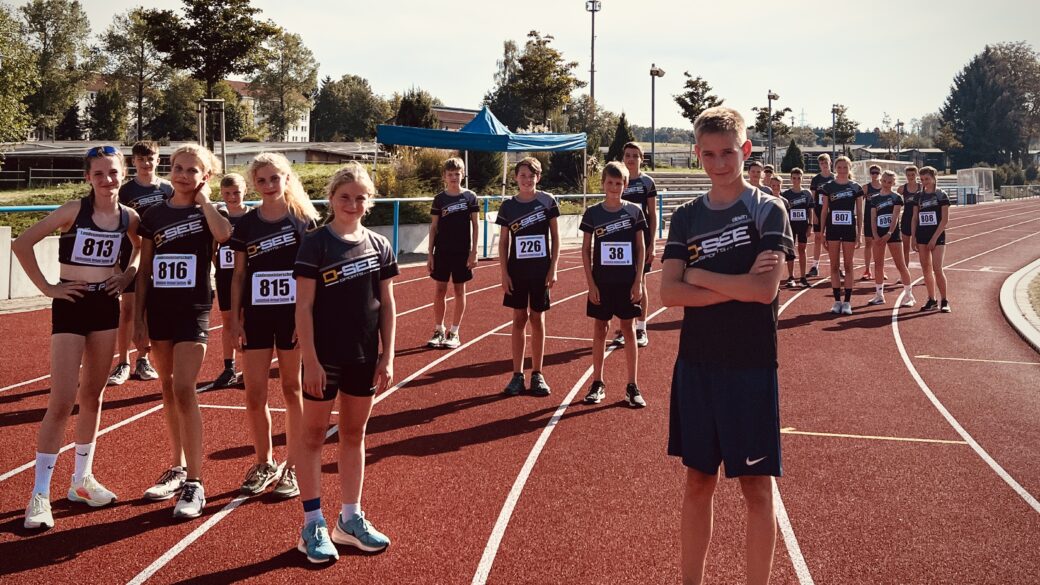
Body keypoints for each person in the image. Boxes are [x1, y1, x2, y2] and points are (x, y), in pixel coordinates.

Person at [660, 107, 793, 585]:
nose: (719, 162)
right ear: (698, 154)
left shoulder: (768, 209)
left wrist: (697, 274)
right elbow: (667, 294)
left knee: (757, 489)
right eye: (710, 153)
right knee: (698, 483)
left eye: (729, 153)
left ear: (747, 150)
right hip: (697, 365)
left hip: (751, 365)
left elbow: (765, 292)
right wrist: (731, 285)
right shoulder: (686, 217)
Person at [16, 145, 140, 530]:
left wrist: (127, 274)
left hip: (105, 305)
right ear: (88, 177)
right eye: (99, 174)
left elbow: (139, 248)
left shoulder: (129, 216)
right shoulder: (74, 210)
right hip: (70, 304)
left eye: (114, 173)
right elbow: (22, 243)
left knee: (94, 395)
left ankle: (81, 481)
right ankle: (39, 493)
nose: (107, 180)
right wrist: (48, 289)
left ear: (123, 175)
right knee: (62, 399)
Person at [293, 163, 397, 563]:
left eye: (360, 198)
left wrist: (386, 357)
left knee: (354, 434)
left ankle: (350, 519)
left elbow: (387, 304)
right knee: (314, 437)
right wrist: (311, 360)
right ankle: (312, 523)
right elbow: (303, 306)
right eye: (344, 196)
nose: (352, 204)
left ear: (368, 202)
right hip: (325, 358)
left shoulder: (378, 244)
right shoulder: (315, 244)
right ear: (331, 198)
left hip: (364, 357)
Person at [135, 144, 232, 519]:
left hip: (193, 310)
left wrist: (206, 201)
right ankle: (176, 468)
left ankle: (196, 481)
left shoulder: (211, 212)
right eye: (177, 168)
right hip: (159, 310)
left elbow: (224, 236)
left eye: (193, 170)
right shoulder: (152, 214)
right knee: (166, 387)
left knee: (183, 388)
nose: (183, 175)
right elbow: (144, 269)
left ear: (204, 177)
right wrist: (139, 320)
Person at [227, 153, 320, 499]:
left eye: (274, 179)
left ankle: (292, 468)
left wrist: (306, 320)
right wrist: (234, 319)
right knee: (254, 394)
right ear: (254, 183)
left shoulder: (303, 220)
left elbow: (311, 276)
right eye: (261, 180)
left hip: (292, 317)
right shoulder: (247, 225)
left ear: (286, 179)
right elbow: (238, 275)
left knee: (292, 390)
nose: (268, 186)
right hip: (257, 316)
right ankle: (264, 461)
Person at [580, 162, 647, 408]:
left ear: (625, 185)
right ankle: (597, 382)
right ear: (603, 183)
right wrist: (591, 284)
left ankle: (632, 385)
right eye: (610, 183)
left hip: (627, 282)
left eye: (619, 183)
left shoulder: (634, 212)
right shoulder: (593, 213)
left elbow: (640, 248)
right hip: (602, 282)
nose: (614, 187)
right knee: (600, 329)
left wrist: (638, 280)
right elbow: (585, 250)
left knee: (628, 330)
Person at [496, 157, 561, 397]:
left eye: (531, 176)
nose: (526, 180)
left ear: (538, 177)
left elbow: (556, 237)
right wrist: (503, 273)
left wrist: (553, 267)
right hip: (517, 271)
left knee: (537, 319)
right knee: (518, 319)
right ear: (515, 178)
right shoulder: (508, 206)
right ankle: (516, 375)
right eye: (522, 175)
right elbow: (504, 242)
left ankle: (538, 374)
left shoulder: (547, 201)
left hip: (540, 271)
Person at [108, 141, 170, 386]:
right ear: (133, 162)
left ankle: (143, 359)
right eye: (141, 159)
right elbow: (113, 225)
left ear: (157, 160)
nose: (146, 163)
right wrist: (114, 263)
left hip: (159, 256)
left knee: (150, 310)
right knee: (127, 309)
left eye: (150, 158)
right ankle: (122, 361)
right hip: (130, 254)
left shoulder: (167, 189)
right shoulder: (125, 191)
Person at [426, 157, 479, 350]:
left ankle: (454, 332)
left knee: (459, 290)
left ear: (463, 174)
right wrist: (430, 254)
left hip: (462, 252)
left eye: (457, 174)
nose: (454, 177)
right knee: (440, 290)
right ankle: (439, 329)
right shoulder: (439, 199)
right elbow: (433, 227)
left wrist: (474, 251)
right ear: (444, 177)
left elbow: (476, 225)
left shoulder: (470, 197)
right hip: (442, 252)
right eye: (450, 174)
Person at [212, 174, 249, 388]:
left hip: (245, 276)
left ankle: (248, 367)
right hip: (225, 276)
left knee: (245, 321)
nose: (232, 197)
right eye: (227, 193)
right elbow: (212, 249)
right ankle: (229, 368)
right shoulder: (219, 216)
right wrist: (220, 266)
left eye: (236, 192)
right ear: (222, 194)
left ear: (245, 190)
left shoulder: (252, 216)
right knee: (227, 321)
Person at [620, 142, 658, 348]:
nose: (631, 159)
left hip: (640, 239)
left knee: (640, 282)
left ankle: (641, 328)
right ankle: (625, 327)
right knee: (622, 284)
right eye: (628, 155)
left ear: (642, 159)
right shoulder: (618, 180)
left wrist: (651, 243)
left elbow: (652, 214)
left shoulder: (647, 182)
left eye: (635, 155)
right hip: (620, 240)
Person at [818, 156, 863, 315]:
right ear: (835, 168)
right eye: (840, 167)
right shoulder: (828, 187)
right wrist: (822, 232)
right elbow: (824, 211)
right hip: (833, 229)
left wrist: (859, 233)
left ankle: (848, 302)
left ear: (850, 168)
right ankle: (837, 301)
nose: (842, 170)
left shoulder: (856, 187)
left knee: (849, 265)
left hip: (849, 229)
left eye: (845, 167)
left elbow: (859, 212)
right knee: (834, 265)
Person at [867, 171, 915, 306]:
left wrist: (889, 233)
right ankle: (879, 295)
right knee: (878, 264)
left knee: (900, 264)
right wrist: (875, 235)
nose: (887, 184)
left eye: (890, 182)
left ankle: (908, 295)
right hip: (878, 235)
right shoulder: (874, 199)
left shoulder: (896, 197)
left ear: (894, 183)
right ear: (881, 181)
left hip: (892, 234)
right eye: (884, 181)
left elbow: (895, 217)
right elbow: (873, 218)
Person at [911, 166, 951, 312]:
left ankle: (944, 300)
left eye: (927, 179)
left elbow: (944, 219)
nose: (924, 182)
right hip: (922, 235)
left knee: (937, 268)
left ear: (934, 178)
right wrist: (913, 238)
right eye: (921, 179)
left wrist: (934, 238)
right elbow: (915, 218)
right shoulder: (918, 196)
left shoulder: (941, 195)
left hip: (937, 235)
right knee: (926, 269)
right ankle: (931, 299)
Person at [780, 168, 814, 288]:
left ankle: (803, 277)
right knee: (790, 250)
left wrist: (810, 225)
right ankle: (791, 276)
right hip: (790, 226)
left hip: (803, 225)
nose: (796, 180)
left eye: (799, 178)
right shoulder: (786, 194)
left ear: (802, 178)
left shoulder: (807, 193)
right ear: (791, 179)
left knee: (802, 249)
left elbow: (810, 210)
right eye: (794, 178)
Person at [808, 154, 834, 277]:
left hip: (831, 211)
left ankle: (836, 265)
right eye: (822, 163)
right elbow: (812, 198)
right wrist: (813, 214)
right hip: (818, 210)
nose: (824, 165)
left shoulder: (834, 178)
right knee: (818, 238)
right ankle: (815, 265)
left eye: (826, 163)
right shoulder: (816, 179)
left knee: (832, 240)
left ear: (830, 163)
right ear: (819, 165)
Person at [860, 164, 883, 281]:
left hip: (881, 220)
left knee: (879, 245)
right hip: (869, 219)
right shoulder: (866, 188)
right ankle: (867, 269)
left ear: (880, 174)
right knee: (868, 244)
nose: (875, 175)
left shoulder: (884, 187)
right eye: (872, 172)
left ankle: (880, 269)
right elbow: (858, 202)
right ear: (870, 174)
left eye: (877, 172)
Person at [898, 166, 921, 268]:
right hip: (906, 219)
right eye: (908, 175)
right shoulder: (902, 189)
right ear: (906, 175)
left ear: (916, 175)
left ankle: (927, 274)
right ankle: (905, 273)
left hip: (919, 220)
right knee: (905, 248)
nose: (911, 177)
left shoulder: (922, 188)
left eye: (913, 175)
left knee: (922, 248)